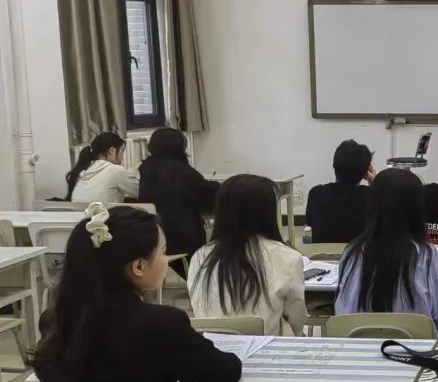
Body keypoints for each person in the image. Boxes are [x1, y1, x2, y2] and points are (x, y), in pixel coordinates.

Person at [32, 204, 241, 382]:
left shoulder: (56, 321)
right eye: (163, 252)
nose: (166, 260)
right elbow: (226, 372)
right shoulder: (161, 324)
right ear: (139, 266)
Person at [336, 169, 438, 337]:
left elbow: (341, 314)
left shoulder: (352, 254)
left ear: (373, 207)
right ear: (417, 209)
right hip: (419, 351)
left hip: (359, 349)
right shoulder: (432, 258)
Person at [188, 174, 307, 336]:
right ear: (268, 212)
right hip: (268, 347)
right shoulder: (288, 257)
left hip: (214, 347)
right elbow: (297, 319)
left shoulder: (200, 257)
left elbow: (199, 309)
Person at [137, 128, 220, 276]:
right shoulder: (183, 172)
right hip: (183, 239)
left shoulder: (145, 169)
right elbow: (209, 194)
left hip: (153, 237)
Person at [305, 140, 375, 244]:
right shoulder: (371, 196)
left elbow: (309, 222)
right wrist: (374, 183)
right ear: (365, 173)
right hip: (358, 254)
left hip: (322, 254)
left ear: (334, 165)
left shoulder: (316, 193)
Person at [67, 132, 139, 203]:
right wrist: (134, 170)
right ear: (112, 151)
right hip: (103, 211)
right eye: (122, 151)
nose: (122, 157)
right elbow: (141, 192)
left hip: (81, 211)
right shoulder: (115, 170)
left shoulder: (84, 170)